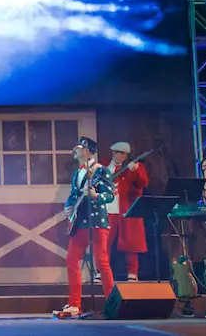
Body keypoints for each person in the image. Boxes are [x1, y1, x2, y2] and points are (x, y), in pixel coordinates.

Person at [55, 137, 115, 319]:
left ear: (88, 151)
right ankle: (74, 304)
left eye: (79, 148)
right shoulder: (78, 173)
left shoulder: (101, 171)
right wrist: (68, 207)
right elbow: (74, 195)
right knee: (72, 259)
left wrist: (96, 196)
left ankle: (113, 303)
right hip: (80, 222)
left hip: (96, 221)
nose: (76, 150)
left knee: (101, 261)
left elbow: (110, 195)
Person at [104, 142, 149, 281]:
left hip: (126, 209)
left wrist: (136, 170)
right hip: (108, 209)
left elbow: (143, 183)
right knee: (104, 242)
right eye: (115, 152)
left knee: (131, 242)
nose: (117, 155)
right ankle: (102, 271)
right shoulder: (105, 166)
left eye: (121, 153)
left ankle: (132, 272)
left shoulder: (135, 167)